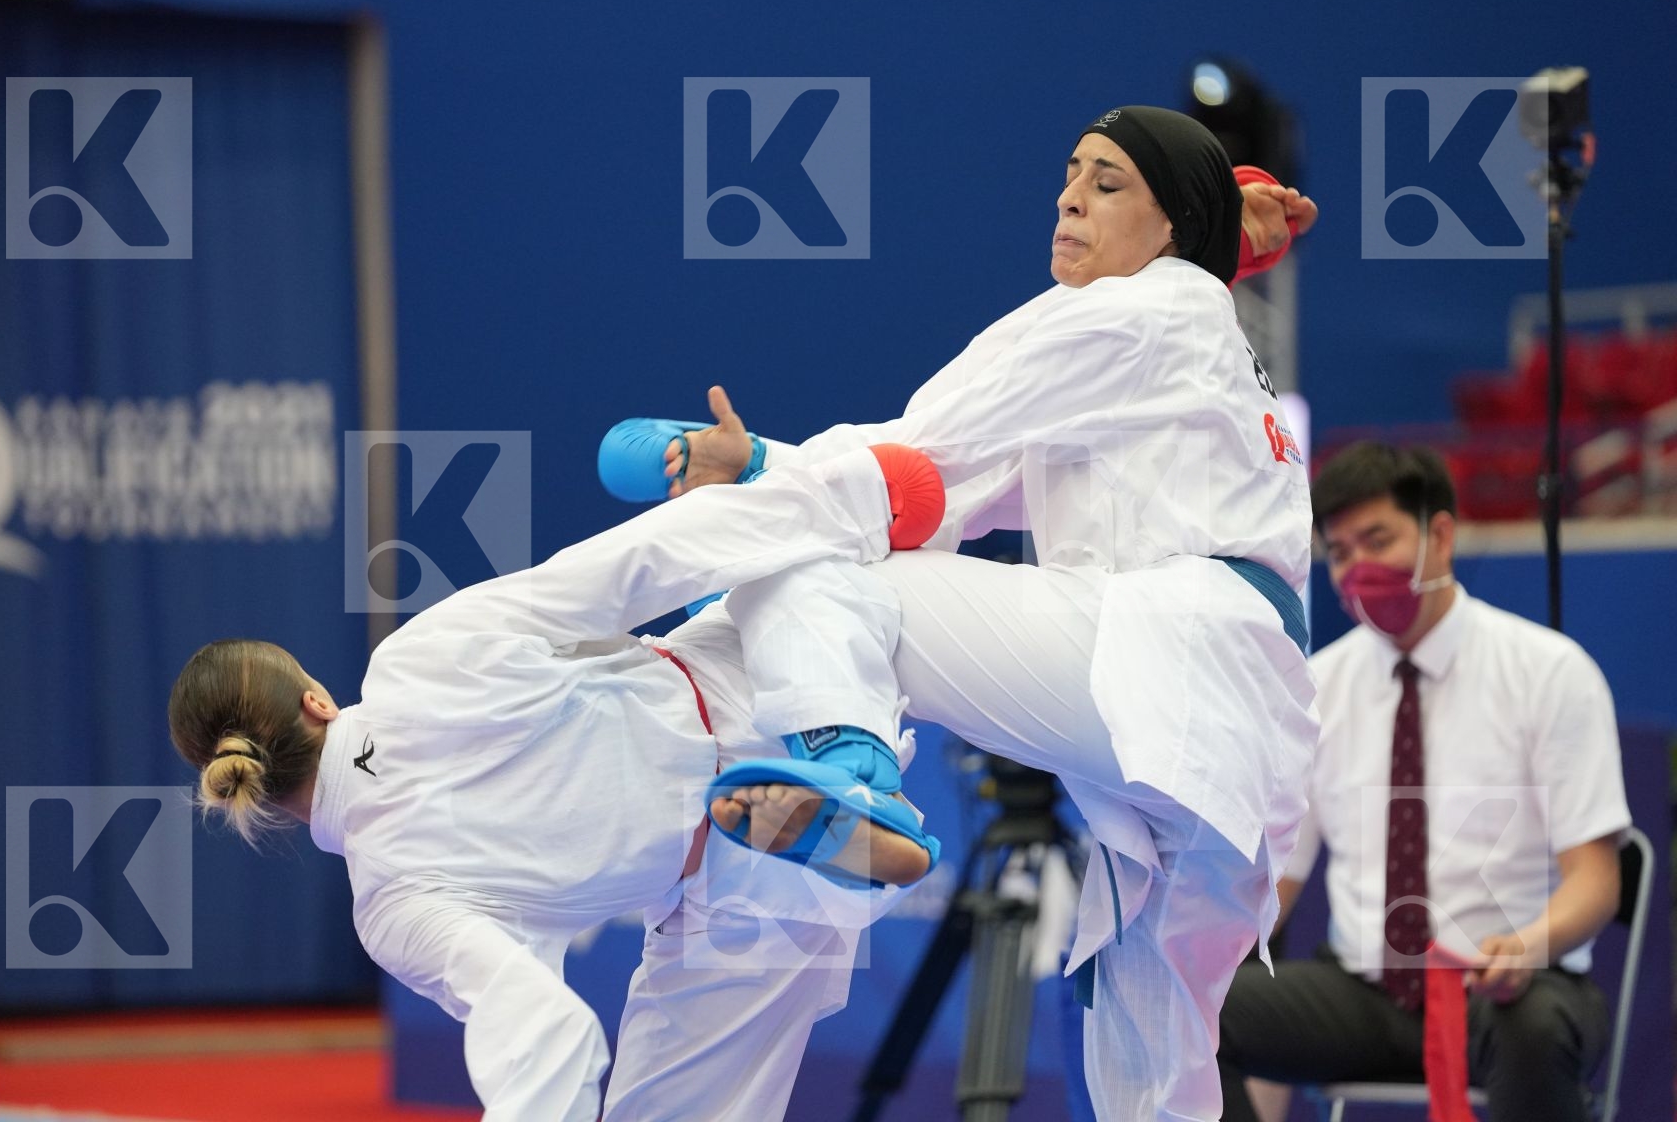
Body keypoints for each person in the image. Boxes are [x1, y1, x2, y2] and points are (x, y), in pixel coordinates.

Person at [630, 105, 1321, 1120]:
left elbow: (920, 451)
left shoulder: (1137, 312)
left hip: (1180, 657)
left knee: (827, 574)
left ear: (1172, 224)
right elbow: (939, 488)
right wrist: (769, 467)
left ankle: (852, 777)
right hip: (1237, 732)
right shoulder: (1174, 329)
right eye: (1069, 171)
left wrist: (762, 492)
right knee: (1153, 1075)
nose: (1069, 195)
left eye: (1106, 180)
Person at [166, 444, 948, 1122]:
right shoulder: (416, 665)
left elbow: (548, 1036)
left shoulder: (390, 908)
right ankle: (854, 766)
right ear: (316, 700)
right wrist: (852, 494)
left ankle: (846, 819)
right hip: (752, 677)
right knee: (808, 563)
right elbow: (629, 567)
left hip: (730, 903)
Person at [1214, 441, 1630, 1122]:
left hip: (1505, 987)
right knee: (1191, 1007)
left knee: (1536, 1025)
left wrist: (1527, 945)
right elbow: (1278, 881)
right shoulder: (1316, 689)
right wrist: (1191, 944)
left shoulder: (1549, 672)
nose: (1358, 569)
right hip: (1363, 994)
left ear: (1440, 534)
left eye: (1377, 540)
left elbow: (1596, 879)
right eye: (1341, 552)